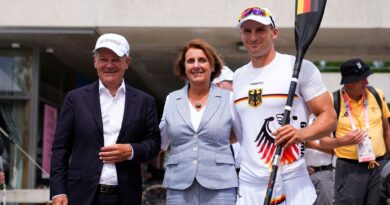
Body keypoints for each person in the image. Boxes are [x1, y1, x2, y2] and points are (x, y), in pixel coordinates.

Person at [233, 6, 336, 205]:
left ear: (274, 33)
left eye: (260, 30)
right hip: (249, 184)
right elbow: (239, 131)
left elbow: (329, 117)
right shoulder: (238, 77)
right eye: (247, 31)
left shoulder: (299, 67)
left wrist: (301, 135)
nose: (253, 36)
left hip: (291, 180)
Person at [50, 33, 161, 205]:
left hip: (126, 196)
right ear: (95, 62)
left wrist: (130, 150)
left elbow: (154, 143)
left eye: (115, 59)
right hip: (81, 195)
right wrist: (58, 192)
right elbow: (60, 148)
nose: (109, 65)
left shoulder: (144, 101)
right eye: (103, 59)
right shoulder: (75, 99)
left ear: (127, 63)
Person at [159, 39, 238, 205]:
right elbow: (161, 141)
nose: (196, 65)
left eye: (202, 60)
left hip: (220, 186)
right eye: (190, 61)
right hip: (178, 186)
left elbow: (238, 136)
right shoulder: (171, 99)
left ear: (213, 66)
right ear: (184, 67)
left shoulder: (229, 98)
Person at [317, 58, 390, 205]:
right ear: (348, 82)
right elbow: (323, 141)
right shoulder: (332, 101)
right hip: (350, 169)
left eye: (366, 78)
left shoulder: (376, 94)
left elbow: (387, 129)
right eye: (361, 80)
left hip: (378, 164)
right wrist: (345, 141)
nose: (366, 83)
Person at [213, 66, 241, 171]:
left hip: (242, 167)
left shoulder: (238, 103)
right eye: (231, 82)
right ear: (219, 85)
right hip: (221, 168)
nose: (234, 86)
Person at [304, 116, 334, 205]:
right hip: (302, 174)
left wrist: (312, 145)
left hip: (322, 173)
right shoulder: (302, 117)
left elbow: (336, 150)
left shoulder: (326, 119)